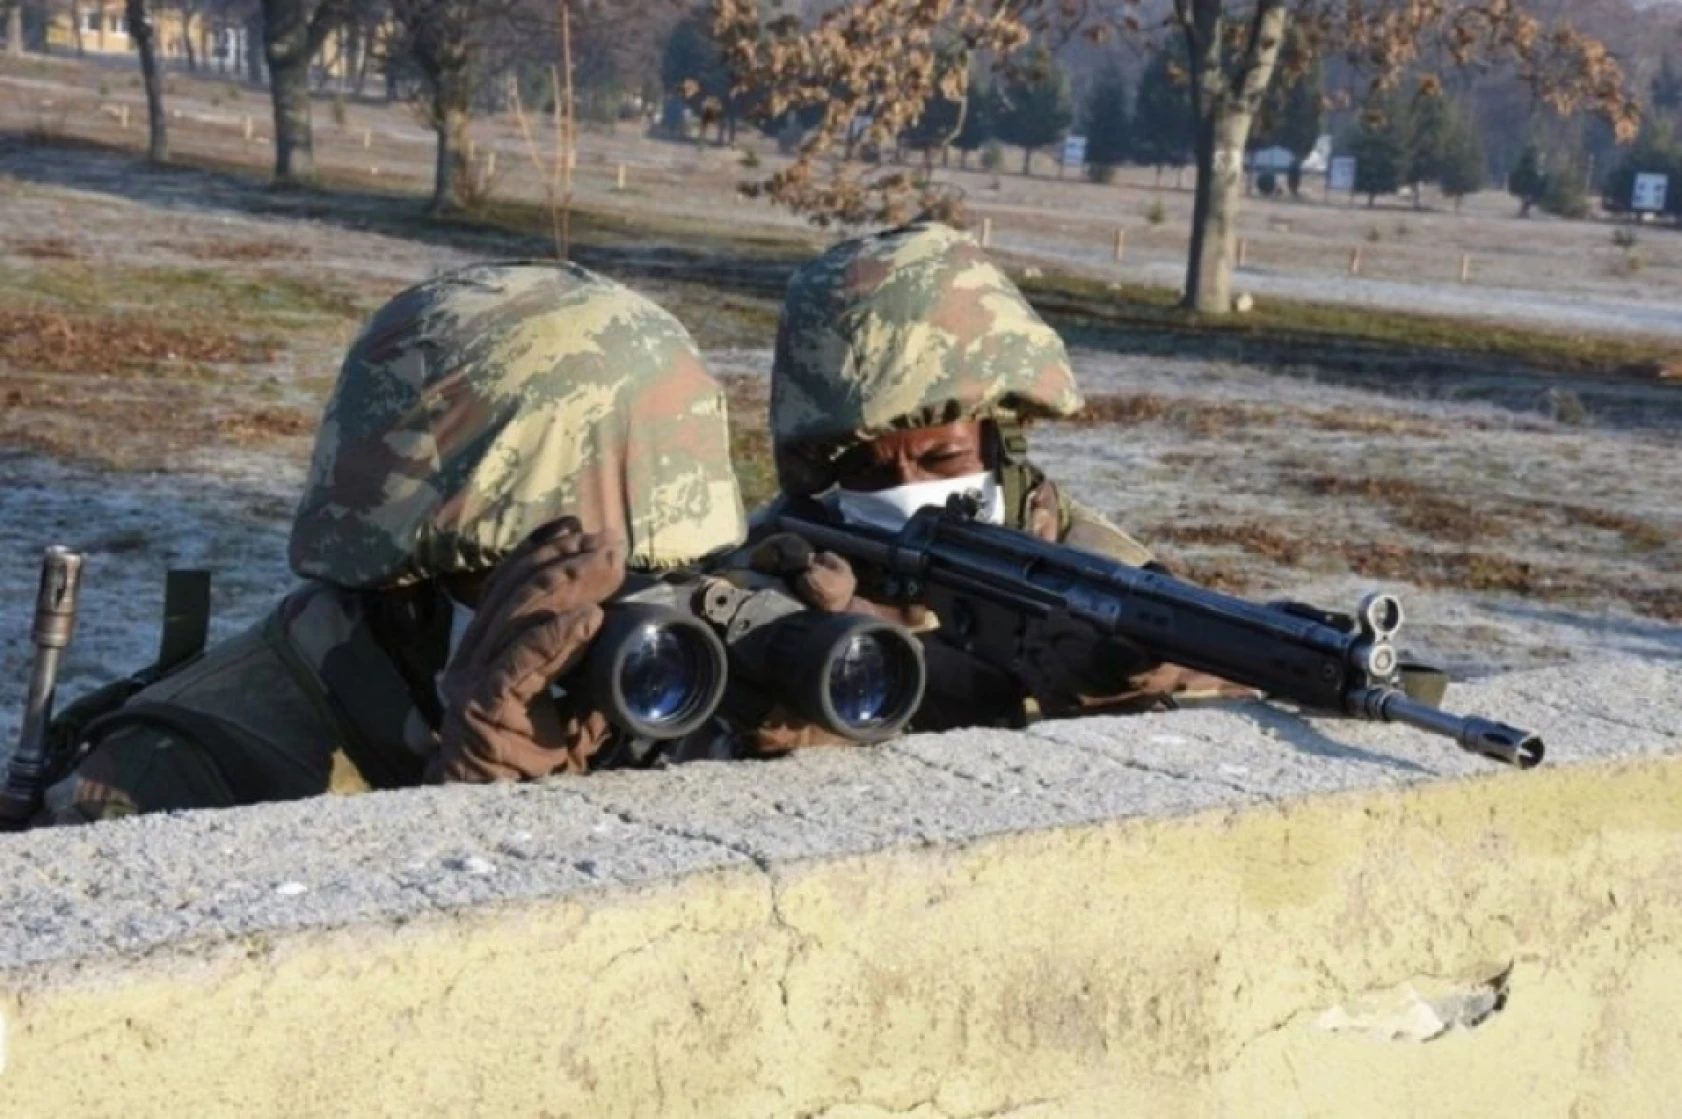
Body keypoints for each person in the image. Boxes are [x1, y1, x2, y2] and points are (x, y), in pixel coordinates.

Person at [40, 260, 761, 824]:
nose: (626, 614)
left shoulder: (637, 706)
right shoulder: (176, 778)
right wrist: (458, 818)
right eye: (558, 574)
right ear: (408, 567)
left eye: (666, 573)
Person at [740, 221, 1253, 730]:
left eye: (942, 459)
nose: (906, 488)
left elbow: (1222, 710)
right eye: (865, 469)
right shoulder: (796, 560)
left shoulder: (1099, 573)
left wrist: (1132, 687)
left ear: (1005, 441)